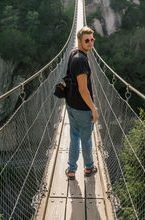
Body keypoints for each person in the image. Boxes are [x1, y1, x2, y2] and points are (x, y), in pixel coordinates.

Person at [65, 26, 99, 180]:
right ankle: (89, 168)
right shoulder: (81, 60)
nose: (90, 43)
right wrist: (93, 109)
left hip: (71, 105)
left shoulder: (73, 53)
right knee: (85, 140)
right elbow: (84, 90)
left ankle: (71, 170)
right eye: (86, 40)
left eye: (92, 39)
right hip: (82, 109)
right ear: (79, 41)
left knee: (74, 136)